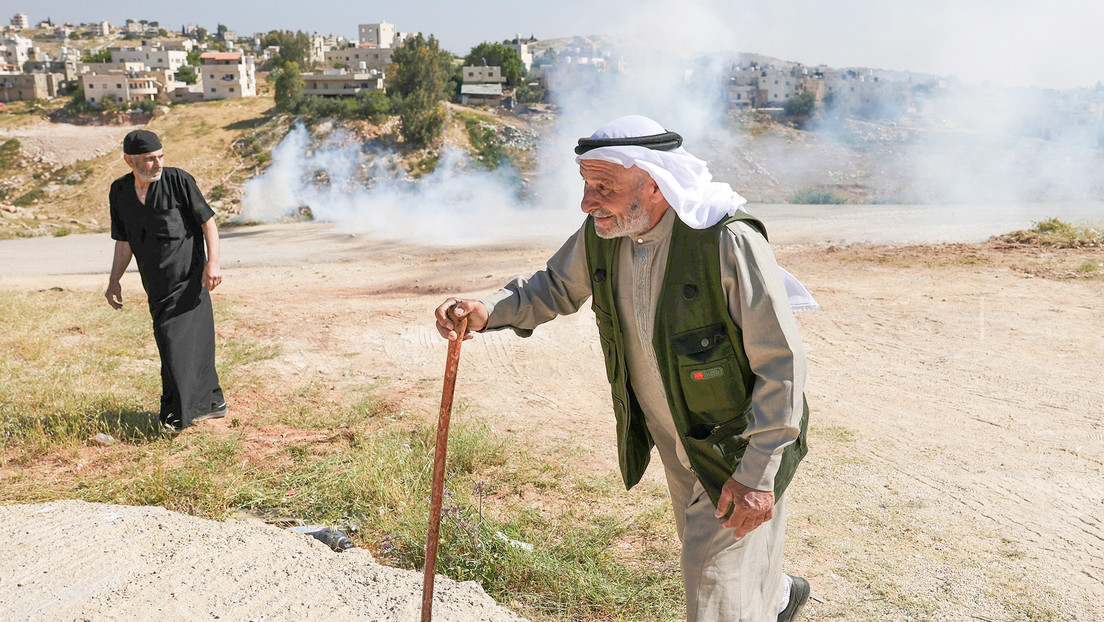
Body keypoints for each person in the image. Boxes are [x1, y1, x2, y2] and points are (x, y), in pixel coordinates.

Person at [435, 115, 816, 622]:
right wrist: (486, 311)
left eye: (604, 187)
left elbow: (782, 362)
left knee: (712, 585)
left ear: (656, 185)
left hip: (738, 445)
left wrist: (758, 476)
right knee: (730, 561)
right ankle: (777, 599)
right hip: (677, 439)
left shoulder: (726, 244)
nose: (588, 202)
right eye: (587, 185)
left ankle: (765, 599)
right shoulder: (605, 234)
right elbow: (552, 287)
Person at [104, 129, 227, 432]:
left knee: (179, 345)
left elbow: (208, 222)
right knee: (173, 345)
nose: (158, 164)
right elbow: (123, 242)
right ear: (129, 161)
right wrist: (114, 281)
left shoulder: (178, 180)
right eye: (149, 159)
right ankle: (211, 403)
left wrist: (213, 262)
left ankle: (176, 418)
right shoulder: (119, 192)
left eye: (160, 156)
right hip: (155, 285)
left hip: (189, 280)